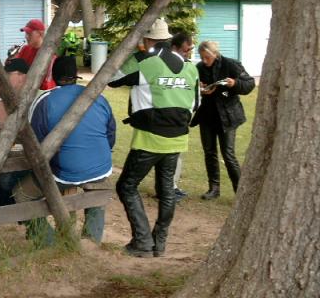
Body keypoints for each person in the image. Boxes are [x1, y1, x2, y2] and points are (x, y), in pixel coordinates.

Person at [109, 18, 199, 258]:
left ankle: (142, 241)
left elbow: (111, 78)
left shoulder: (146, 63)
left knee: (126, 186)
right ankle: (159, 243)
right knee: (167, 190)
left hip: (149, 138)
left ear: (147, 40)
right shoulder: (190, 68)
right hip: (178, 139)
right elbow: (196, 104)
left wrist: (133, 53)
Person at [13, 56, 116, 245]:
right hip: (101, 166)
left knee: (21, 194)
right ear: (76, 76)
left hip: (64, 171)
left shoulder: (45, 101)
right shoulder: (98, 97)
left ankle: (48, 241)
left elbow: (36, 145)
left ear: (53, 76)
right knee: (97, 185)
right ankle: (92, 240)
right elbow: (110, 136)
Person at [191, 40, 255, 199]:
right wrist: (200, 89)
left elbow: (249, 84)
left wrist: (235, 83)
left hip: (228, 116)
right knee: (209, 152)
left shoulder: (231, 64)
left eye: (207, 57)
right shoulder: (199, 68)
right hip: (207, 115)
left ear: (215, 54)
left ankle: (240, 192)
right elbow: (193, 87)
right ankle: (214, 189)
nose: (204, 60)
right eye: (202, 57)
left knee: (228, 154)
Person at [168, 32, 195, 202]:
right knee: (168, 156)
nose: (188, 53)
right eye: (185, 50)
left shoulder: (189, 67)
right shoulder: (164, 65)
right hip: (167, 119)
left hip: (182, 119)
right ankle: (167, 189)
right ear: (174, 48)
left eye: (190, 49)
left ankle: (173, 187)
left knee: (177, 155)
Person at [12, 19, 56, 90]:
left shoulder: (48, 55)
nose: (26, 37)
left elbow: (47, 85)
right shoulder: (25, 49)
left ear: (40, 34)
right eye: (26, 33)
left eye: (29, 34)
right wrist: (12, 57)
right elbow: (14, 71)